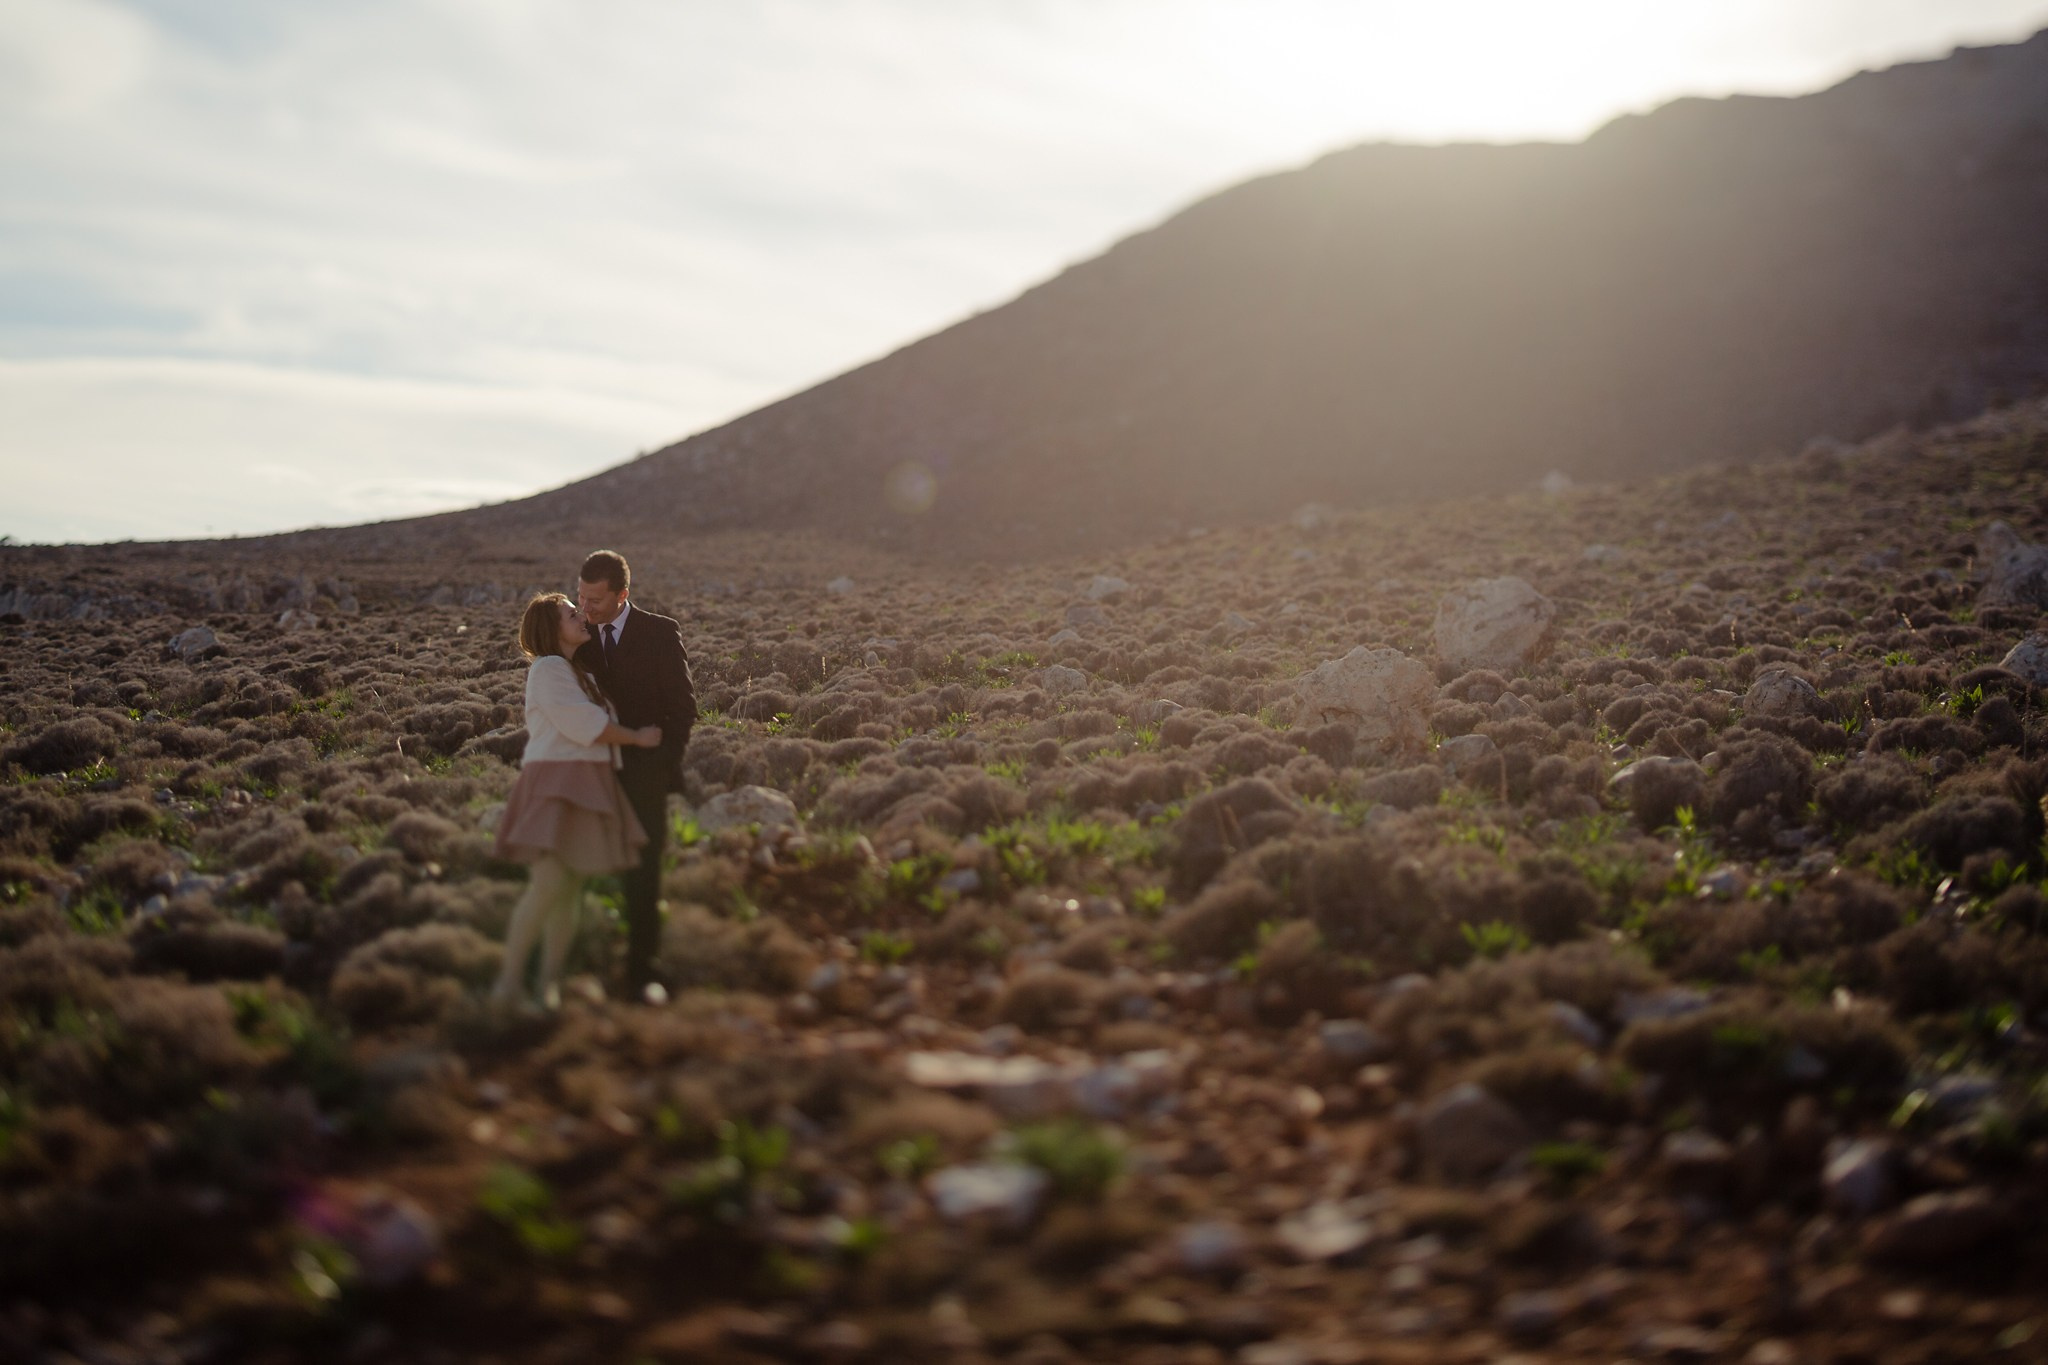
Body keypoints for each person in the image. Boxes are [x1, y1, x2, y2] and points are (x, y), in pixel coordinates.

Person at [490, 593, 661, 1009]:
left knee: (570, 889)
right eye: (571, 615)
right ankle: (508, 985)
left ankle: (546, 987)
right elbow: (585, 723)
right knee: (548, 885)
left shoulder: (573, 669)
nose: (580, 616)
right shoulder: (549, 669)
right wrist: (637, 738)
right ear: (552, 629)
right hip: (556, 780)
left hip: (583, 779)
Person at [572, 550, 696, 997]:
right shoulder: (574, 635)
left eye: (596, 601)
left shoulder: (660, 633)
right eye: (581, 598)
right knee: (581, 866)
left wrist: (662, 769)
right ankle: (582, 963)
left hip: (645, 776)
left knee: (644, 874)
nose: (585, 609)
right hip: (591, 773)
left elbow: (683, 709)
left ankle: (642, 969)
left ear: (623, 595)